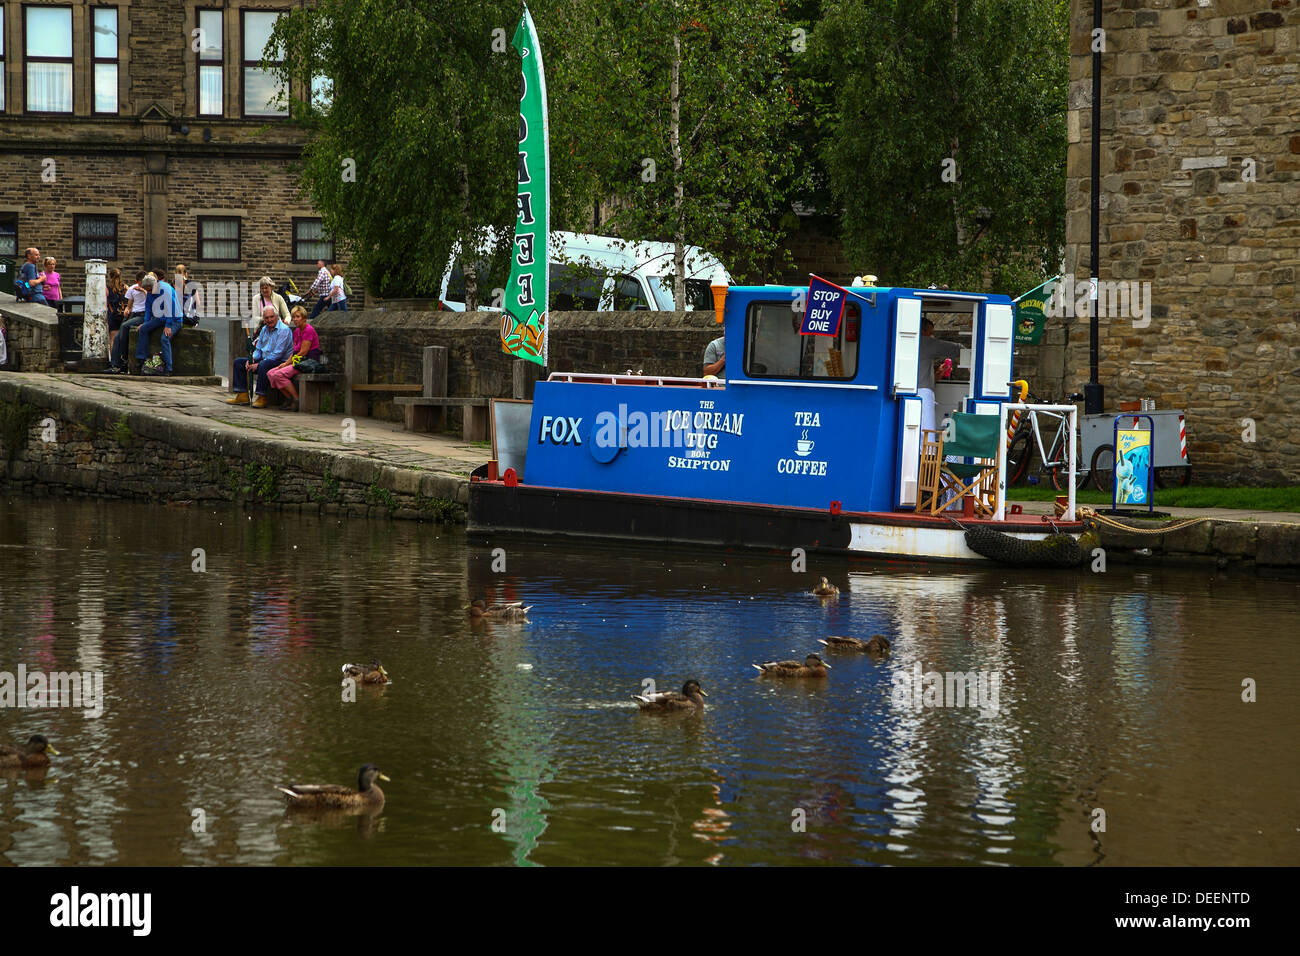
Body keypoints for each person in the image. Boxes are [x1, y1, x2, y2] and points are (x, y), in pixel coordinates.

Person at [227, 304, 293, 408]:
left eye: (271, 317)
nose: (269, 320)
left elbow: (278, 354)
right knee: (239, 362)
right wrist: (252, 359)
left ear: (277, 316)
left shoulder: (284, 330)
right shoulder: (264, 330)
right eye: (266, 318)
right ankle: (242, 394)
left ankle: (262, 396)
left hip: (280, 361)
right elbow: (259, 349)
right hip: (265, 360)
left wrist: (258, 364)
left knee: (264, 364)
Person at [267, 305, 322, 410]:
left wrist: (287, 364)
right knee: (270, 373)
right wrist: (285, 363)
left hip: (307, 363)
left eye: (298, 317)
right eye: (294, 317)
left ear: (304, 318)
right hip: (297, 361)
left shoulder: (308, 330)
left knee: (279, 374)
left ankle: (296, 399)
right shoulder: (297, 331)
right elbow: (295, 351)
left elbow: (303, 352)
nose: (295, 319)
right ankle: (289, 398)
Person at [918, 317, 963, 436]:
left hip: (913, 390)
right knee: (927, 430)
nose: (932, 336)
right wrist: (968, 354)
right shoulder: (925, 341)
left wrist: (938, 373)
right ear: (922, 331)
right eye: (930, 333)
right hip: (923, 394)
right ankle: (928, 454)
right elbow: (956, 348)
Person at [135, 270, 184, 376]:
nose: (150, 292)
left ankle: (168, 368)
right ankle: (141, 359)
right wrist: (146, 323)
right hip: (160, 317)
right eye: (147, 291)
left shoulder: (165, 290)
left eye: (150, 290)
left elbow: (170, 308)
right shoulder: (149, 291)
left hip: (174, 318)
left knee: (164, 338)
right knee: (143, 329)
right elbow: (148, 309)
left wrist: (168, 326)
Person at [109, 271, 149, 373]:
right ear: (137, 281)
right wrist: (127, 310)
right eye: (140, 283)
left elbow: (152, 302)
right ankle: (115, 364)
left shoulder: (149, 289)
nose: (142, 285)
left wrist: (144, 291)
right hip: (133, 314)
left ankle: (124, 355)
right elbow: (129, 305)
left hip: (143, 314)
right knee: (117, 338)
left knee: (125, 326)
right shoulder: (132, 289)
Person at [106, 268, 128, 353]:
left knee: (113, 340)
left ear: (110, 277)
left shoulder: (107, 288)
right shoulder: (125, 287)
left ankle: (113, 361)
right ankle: (121, 360)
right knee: (123, 339)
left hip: (113, 316)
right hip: (123, 315)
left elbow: (105, 303)